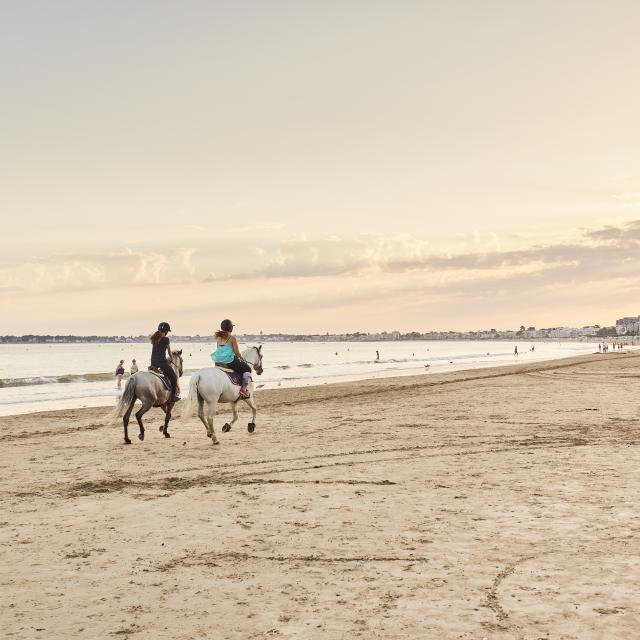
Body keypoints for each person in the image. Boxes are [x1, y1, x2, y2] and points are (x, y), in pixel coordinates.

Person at [211, 319, 251, 398]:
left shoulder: (218, 337)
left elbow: (219, 349)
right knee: (248, 369)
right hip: (228, 360)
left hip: (218, 360)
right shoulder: (232, 338)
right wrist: (242, 359)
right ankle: (243, 389)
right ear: (230, 328)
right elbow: (237, 353)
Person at [149, 322, 180, 402]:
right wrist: (172, 359)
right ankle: (173, 396)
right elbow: (169, 352)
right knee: (174, 376)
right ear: (166, 331)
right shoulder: (166, 340)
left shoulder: (154, 338)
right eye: (167, 332)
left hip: (153, 362)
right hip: (161, 362)